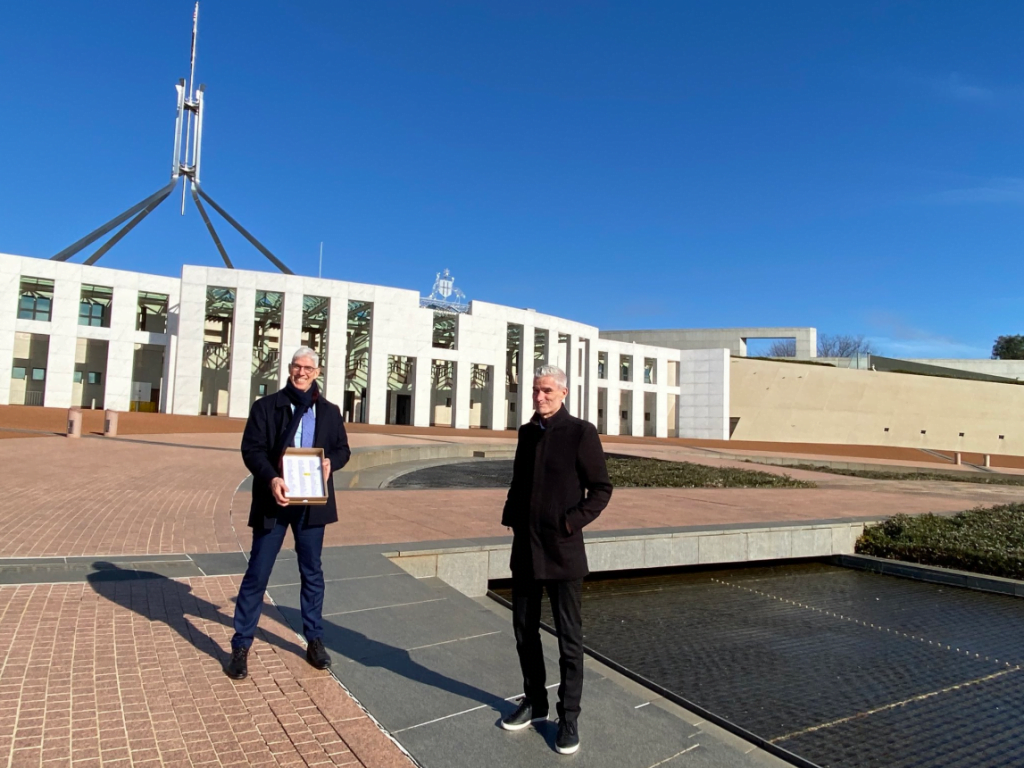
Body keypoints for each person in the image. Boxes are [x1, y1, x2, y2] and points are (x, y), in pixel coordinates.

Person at [499, 365, 613, 755]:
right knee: (523, 632)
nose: (539, 396)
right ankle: (535, 701)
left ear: (563, 393)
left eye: (547, 390)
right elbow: (518, 481)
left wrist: (569, 523)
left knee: (569, 639)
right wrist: (511, 517)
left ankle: (568, 717)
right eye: (535, 390)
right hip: (525, 550)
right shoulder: (527, 433)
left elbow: (600, 489)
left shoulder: (581, 433)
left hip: (562, 551)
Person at [225, 346, 351, 680]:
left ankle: (314, 638)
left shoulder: (329, 411)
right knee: (258, 571)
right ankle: (241, 644)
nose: (302, 372)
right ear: (290, 369)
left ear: (317, 372)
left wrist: (330, 463)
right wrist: (272, 479)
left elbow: (343, 449)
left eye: (308, 368)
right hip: (275, 500)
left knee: (312, 571)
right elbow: (251, 450)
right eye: (297, 366)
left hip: (312, 505)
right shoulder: (266, 407)